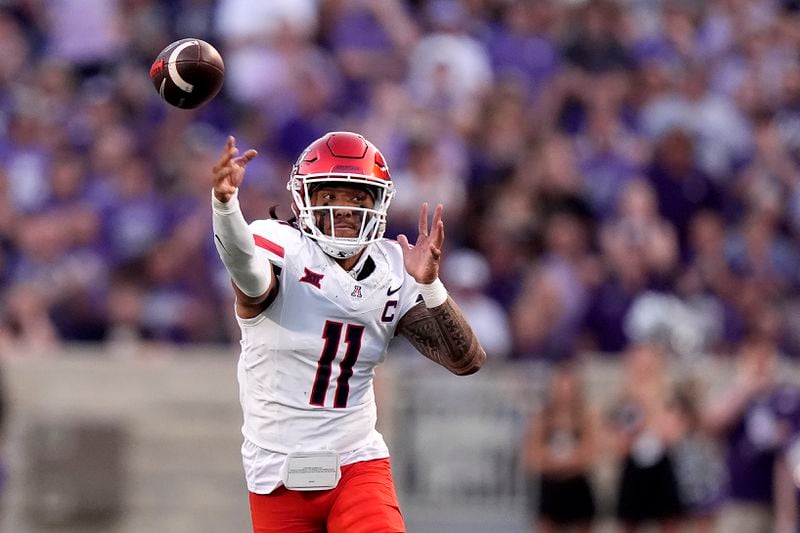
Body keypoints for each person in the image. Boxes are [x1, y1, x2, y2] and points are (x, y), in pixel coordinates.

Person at [210, 131, 486, 532]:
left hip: (356, 461)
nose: (345, 208)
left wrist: (429, 285)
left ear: (380, 202)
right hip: (276, 469)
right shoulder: (279, 247)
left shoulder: (396, 266)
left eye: (358, 197)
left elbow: (467, 361)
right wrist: (225, 206)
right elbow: (248, 274)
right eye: (331, 196)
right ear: (306, 199)